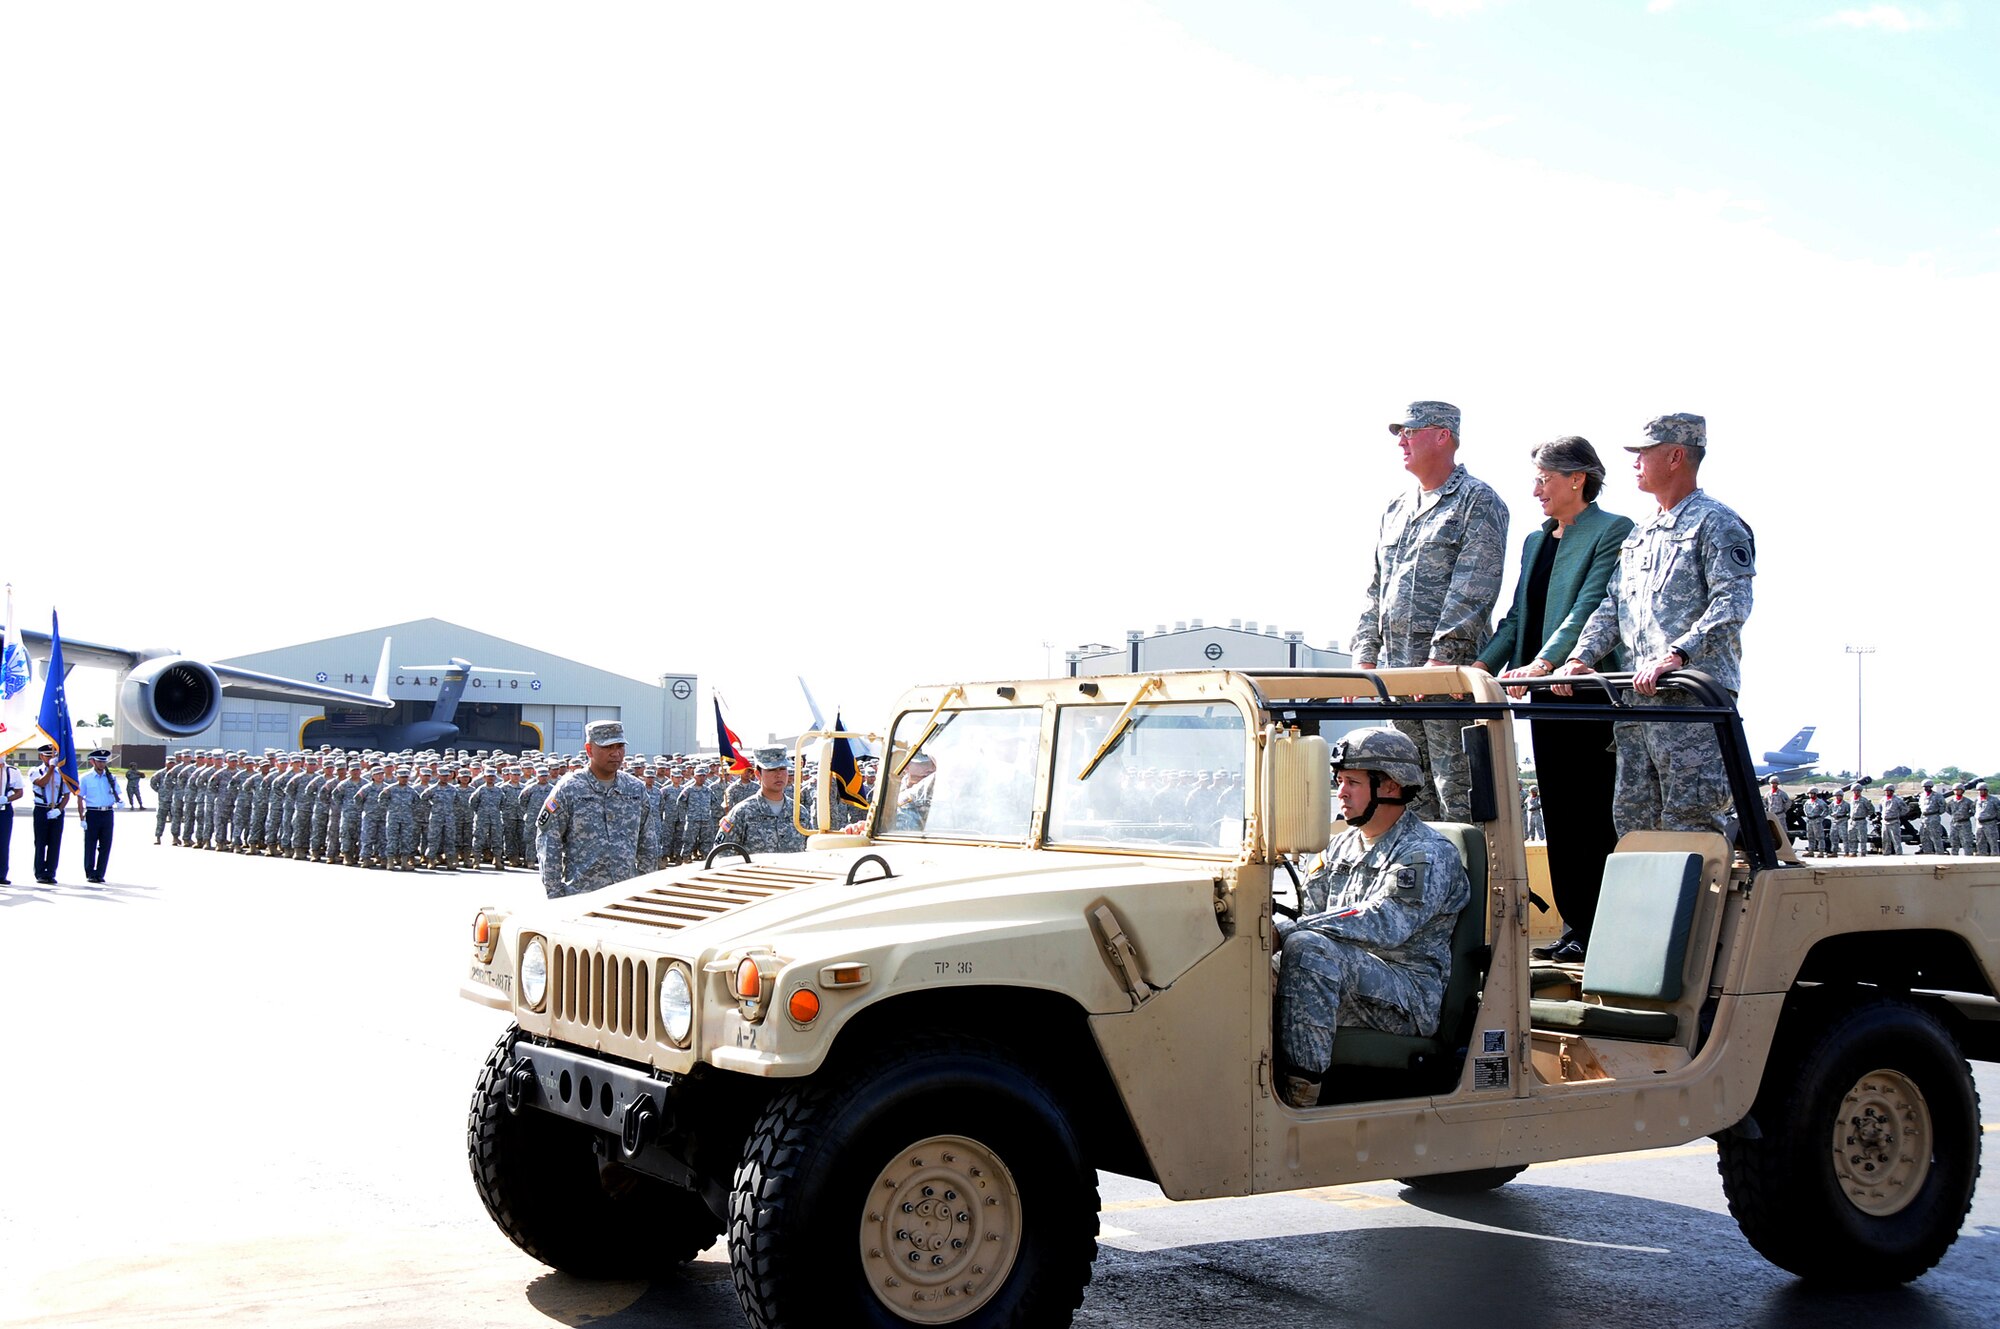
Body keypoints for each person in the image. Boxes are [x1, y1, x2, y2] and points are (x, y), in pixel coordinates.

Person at [1557, 414, 1755, 841]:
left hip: (1690, 702)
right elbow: (1612, 606)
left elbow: (1732, 602)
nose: (1635, 463)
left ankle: (1694, 910)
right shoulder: (1641, 534)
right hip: (1636, 704)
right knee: (1634, 828)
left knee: (1692, 823)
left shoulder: (1716, 523)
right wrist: (1580, 657)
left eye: (1643, 453)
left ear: (1676, 456)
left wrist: (1677, 655)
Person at [1473, 435, 1632, 961]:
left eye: (1543, 477)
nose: (1535, 488)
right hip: (1542, 696)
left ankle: (1602, 928)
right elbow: (1518, 618)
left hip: (1583, 692)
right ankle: (1574, 925)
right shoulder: (1536, 542)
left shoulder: (1612, 531)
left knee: (1593, 814)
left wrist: (1546, 663)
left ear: (1576, 479)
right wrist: (1479, 666)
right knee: (1561, 813)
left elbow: (1588, 608)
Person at [1271, 728, 1471, 1109]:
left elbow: (1387, 922)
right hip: (1347, 980)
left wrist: (1287, 933)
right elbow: (1311, 910)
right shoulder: (1341, 844)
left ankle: (1301, 1094)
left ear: (1391, 786)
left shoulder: (1426, 853)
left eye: (1352, 782)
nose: (1341, 792)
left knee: (1307, 949)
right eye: (1339, 781)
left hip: (1406, 996)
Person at [1352, 400, 1509, 822]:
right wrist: (1364, 657)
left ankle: (1472, 884)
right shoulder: (1396, 508)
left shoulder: (1477, 501)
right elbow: (1376, 588)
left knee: (1459, 795)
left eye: (1411, 430)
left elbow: (1475, 586)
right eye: (1399, 433)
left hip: (1446, 681)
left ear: (1443, 436)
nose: (1402, 440)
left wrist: (1442, 658)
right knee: (1406, 793)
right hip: (1396, 678)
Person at [537, 720, 659, 897]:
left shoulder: (635, 789)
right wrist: (555, 895)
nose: (616, 753)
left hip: (627, 896)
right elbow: (549, 843)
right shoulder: (568, 789)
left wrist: (645, 888)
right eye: (607, 747)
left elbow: (648, 842)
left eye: (620, 746)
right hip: (582, 897)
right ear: (589, 750)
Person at [715, 746, 810, 854]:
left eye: (783, 768)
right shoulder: (742, 813)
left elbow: (811, 851)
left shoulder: (800, 813)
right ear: (758, 774)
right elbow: (721, 855)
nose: (779, 774)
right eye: (771, 769)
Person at [77, 749, 122, 883]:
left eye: (104, 761)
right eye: (99, 761)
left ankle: (100, 873)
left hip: (107, 812)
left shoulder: (111, 777)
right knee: (90, 844)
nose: (102, 764)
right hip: (93, 813)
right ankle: (90, 872)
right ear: (92, 761)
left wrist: (119, 801)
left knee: (105, 844)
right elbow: (80, 798)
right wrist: (81, 818)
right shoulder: (85, 778)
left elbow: (116, 792)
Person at [31, 743, 70, 883]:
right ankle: (40, 872)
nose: (51, 758)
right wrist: (52, 768)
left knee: (55, 842)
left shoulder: (62, 774)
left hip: (57, 810)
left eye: (53, 755)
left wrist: (59, 810)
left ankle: (51, 872)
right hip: (42, 808)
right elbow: (42, 783)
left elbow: (66, 795)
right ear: (41, 756)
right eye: (48, 756)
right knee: (40, 842)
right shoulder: (36, 771)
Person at [0, 758, 23, 884]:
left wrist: (7, 799)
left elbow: (19, 792)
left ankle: (1, 874)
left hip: (4, 810)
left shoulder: (12, 771)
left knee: (3, 843)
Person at [1920, 780, 1948, 856]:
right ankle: (1927, 852)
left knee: (1935, 836)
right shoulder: (1922, 796)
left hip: (1933, 817)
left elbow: (1942, 806)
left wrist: (1936, 813)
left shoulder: (1937, 795)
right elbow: (1921, 806)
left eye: (1927, 787)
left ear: (1931, 787)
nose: (1925, 788)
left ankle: (1939, 853)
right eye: (1924, 787)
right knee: (1924, 837)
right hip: (1924, 818)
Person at [1878, 785, 1907, 856]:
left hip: (1894, 821)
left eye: (1889, 791)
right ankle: (1886, 853)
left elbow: (1905, 809)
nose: (1887, 792)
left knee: (1896, 839)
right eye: (1886, 791)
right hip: (1885, 822)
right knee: (1885, 839)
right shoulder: (1882, 800)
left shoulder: (1897, 800)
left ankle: (1898, 853)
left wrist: (1898, 815)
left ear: (1892, 791)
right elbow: (1881, 809)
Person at [1978, 783, 2000, 857]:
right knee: (1980, 842)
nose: (1980, 792)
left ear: (1986, 790)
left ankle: (1995, 858)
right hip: (1979, 825)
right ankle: (1982, 858)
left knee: (1993, 842)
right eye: (1979, 790)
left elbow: (1998, 811)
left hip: (1990, 824)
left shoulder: (1994, 800)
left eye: (1982, 790)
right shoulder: (1977, 800)